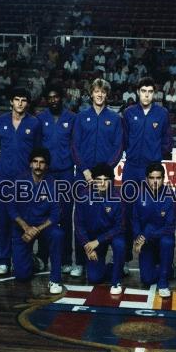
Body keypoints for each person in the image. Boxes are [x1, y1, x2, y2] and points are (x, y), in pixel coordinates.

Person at [71, 78, 124, 277]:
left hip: (105, 177)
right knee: (82, 217)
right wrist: (84, 169)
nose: (99, 95)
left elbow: (118, 148)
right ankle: (80, 262)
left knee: (109, 214)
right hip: (83, 176)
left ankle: (117, 259)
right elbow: (75, 146)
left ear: (107, 95)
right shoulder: (81, 117)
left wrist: (105, 172)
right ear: (91, 94)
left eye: (103, 92)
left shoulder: (115, 119)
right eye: (96, 91)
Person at [122, 77, 172, 272]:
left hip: (152, 170)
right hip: (132, 168)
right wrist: (133, 154)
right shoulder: (128, 113)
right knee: (126, 212)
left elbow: (167, 141)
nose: (146, 95)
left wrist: (156, 157)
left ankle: (157, 259)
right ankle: (125, 258)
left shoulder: (162, 113)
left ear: (155, 94)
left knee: (154, 213)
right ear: (137, 92)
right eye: (143, 91)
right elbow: (124, 139)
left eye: (150, 91)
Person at [0, 88, 41, 275]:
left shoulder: (35, 123)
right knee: (4, 220)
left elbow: (38, 153)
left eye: (23, 100)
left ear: (27, 103)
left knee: (23, 220)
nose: (20, 103)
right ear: (11, 102)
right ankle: (3, 260)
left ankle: (23, 257)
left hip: (25, 181)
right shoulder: (0, 122)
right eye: (17, 99)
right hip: (4, 179)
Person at [5, 148, 64, 294]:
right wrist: (26, 227)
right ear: (30, 164)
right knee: (22, 275)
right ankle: (34, 261)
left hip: (44, 227)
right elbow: (11, 209)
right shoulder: (19, 180)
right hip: (22, 228)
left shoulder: (53, 183)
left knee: (58, 234)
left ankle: (55, 279)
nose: (38, 165)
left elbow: (56, 215)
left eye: (42, 163)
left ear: (47, 166)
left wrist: (36, 229)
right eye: (35, 162)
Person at [36, 86, 76, 273]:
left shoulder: (72, 118)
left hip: (67, 173)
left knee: (66, 217)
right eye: (50, 97)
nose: (53, 100)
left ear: (62, 98)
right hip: (47, 175)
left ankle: (67, 259)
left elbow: (76, 145)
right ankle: (43, 256)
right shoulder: (40, 119)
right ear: (46, 99)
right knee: (45, 215)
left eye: (56, 96)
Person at [74, 163, 126, 294]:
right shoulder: (83, 196)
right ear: (93, 180)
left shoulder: (118, 197)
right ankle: (113, 268)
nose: (102, 183)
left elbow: (120, 226)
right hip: (93, 239)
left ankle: (116, 281)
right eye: (98, 180)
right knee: (94, 278)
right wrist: (87, 246)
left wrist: (99, 240)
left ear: (111, 181)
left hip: (111, 236)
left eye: (106, 180)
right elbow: (79, 225)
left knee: (120, 243)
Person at [132, 162, 176, 297]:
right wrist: (138, 236)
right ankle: (168, 269)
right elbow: (134, 219)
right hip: (147, 241)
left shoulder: (171, 196)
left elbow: (170, 227)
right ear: (147, 179)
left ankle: (163, 281)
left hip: (163, 238)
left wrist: (147, 236)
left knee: (167, 241)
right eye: (152, 178)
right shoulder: (140, 195)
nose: (155, 181)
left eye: (158, 178)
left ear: (164, 179)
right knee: (147, 279)